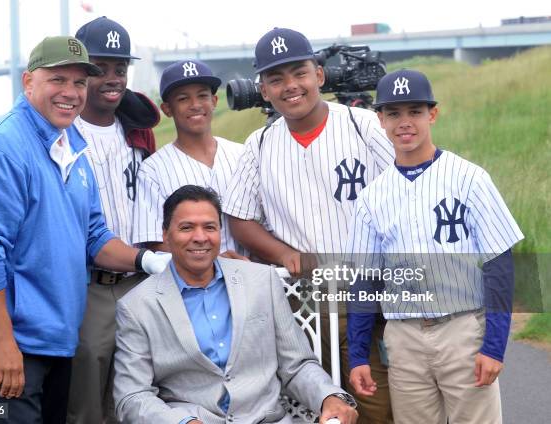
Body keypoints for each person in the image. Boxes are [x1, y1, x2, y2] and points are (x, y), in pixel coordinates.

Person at [0, 36, 170, 423]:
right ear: (28, 82)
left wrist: (149, 259)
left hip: (60, 339)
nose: (70, 92)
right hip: (18, 346)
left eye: (78, 82)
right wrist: (3, 344)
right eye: (58, 80)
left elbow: (94, 235)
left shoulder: (71, 143)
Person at [223, 27, 394, 422]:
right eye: (276, 79)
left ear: (319, 74)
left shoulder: (363, 125)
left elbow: (405, 197)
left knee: (377, 405)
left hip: (365, 295)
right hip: (303, 303)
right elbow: (239, 216)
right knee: (312, 406)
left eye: (299, 72)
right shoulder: (260, 143)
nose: (290, 86)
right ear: (263, 90)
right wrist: (284, 253)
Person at [346, 69, 523, 423]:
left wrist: (494, 346)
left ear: (433, 113)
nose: (404, 122)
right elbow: (364, 282)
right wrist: (359, 356)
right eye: (394, 113)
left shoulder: (470, 178)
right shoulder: (371, 198)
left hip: (462, 330)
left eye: (415, 110)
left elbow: (498, 264)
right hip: (404, 338)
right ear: (380, 119)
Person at [113, 184, 358, 424]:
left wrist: (329, 396)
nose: (200, 237)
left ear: (220, 231)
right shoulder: (137, 306)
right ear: (165, 234)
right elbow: (132, 396)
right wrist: (182, 422)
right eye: (186, 227)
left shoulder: (262, 281)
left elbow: (297, 366)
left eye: (209, 227)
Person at [66, 17, 161, 424]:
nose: (111, 78)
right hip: (89, 283)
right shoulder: (62, 129)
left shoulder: (138, 129)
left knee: (142, 393)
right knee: (86, 400)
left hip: (141, 276)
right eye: (99, 68)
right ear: (81, 74)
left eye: (120, 69)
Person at [139, 59, 244, 255]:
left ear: (214, 101)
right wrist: (214, 264)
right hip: (189, 283)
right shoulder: (152, 169)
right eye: (183, 98)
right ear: (167, 109)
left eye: (202, 95)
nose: (195, 105)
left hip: (249, 274)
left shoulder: (242, 154)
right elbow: (154, 241)